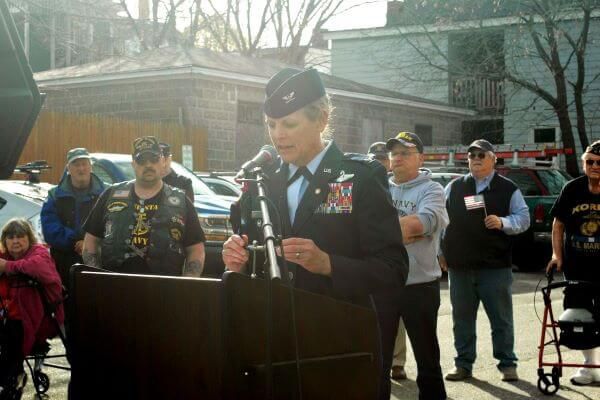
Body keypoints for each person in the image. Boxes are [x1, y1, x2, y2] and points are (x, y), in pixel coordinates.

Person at [221, 68, 408, 399]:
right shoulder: (262, 184)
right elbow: (249, 253)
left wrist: (329, 264)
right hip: (272, 348)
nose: (278, 135)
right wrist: (236, 258)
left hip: (338, 348)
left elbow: (393, 268)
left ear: (321, 120)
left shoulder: (359, 178)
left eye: (289, 124)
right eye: (272, 125)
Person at [440, 139, 530, 382]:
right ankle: (463, 364)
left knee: (501, 319)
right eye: (471, 155)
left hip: (494, 267)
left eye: (481, 154)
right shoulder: (455, 187)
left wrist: (503, 222)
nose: (476, 159)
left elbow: (523, 219)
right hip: (460, 266)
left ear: (494, 159)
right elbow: (442, 222)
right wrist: (440, 251)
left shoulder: (508, 188)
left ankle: (507, 363)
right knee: (462, 319)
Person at [374, 132, 448, 399]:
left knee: (427, 358)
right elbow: (409, 229)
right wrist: (403, 232)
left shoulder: (433, 189)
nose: (398, 158)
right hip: (384, 285)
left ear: (420, 157)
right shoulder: (380, 187)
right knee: (379, 359)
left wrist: (380, 234)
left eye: (405, 153)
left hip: (420, 286)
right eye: (394, 153)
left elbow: (424, 222)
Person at [82, 136, 205, 277]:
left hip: (165, 290)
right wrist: (96, 277)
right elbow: (91, 240)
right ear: (133, 164)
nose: (148, 165)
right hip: (115, 288)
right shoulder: (111, 195)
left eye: (154, 159)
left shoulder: (181, 201)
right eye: (142, 160)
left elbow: (196, 249)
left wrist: (187, 283)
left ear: (163, 162)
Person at [546, 140, 600, 386]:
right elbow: (558, 225)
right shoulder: (572, 188)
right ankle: (588, 367)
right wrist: (557, 255)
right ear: (583, 163)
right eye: (590, 162)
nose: (594, 166)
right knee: (580, 317)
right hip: (577, 265)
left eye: (599, 163)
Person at [0, 219, 64, 397]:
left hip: (42, 319)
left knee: (9, 334)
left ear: (29, 238)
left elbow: (38, 267)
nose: (15, 241)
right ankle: (11, 377)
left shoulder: (39, 253)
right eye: (10, 237)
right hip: (11, 317)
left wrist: (7, 267)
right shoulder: (5, 255)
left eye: (20, 236)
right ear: (4, 241)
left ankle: (13, 378)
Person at [368, 140, 408, 381]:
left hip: (395, 264)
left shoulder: (394, 187)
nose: (380, 164)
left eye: (383, 160)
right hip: (367, 264)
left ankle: (397, 362)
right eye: (375, 159)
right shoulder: (364, 183)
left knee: (395, 320)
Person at [41, 148, 105, 289]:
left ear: (91, 166)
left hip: (98, 261)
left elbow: (113, 226)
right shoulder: (54, 195)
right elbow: (49, 228)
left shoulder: (106, 193)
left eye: (84, 163)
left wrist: (89, 244)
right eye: (76, 164)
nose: (81, 168)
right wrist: (75, 242)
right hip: (63, 263)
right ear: (68, 168)